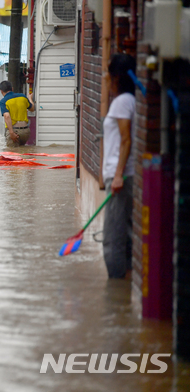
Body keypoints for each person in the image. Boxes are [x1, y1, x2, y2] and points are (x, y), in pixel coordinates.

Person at [102, 53, 137, 279]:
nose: (105, 77)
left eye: (108, 73)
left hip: (120, 178)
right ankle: (124, 290)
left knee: (112, 237)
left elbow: (126, 140)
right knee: (124, 233)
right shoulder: (130, 100)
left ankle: (114, 290)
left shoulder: (122, 101)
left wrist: (117, 176)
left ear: (116, 77)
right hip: (122, 175)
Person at [0, 81, 35, 147]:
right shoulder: (23, 97)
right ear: (12, 89)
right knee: (22, 152)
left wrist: (11, 133)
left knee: (12, 154)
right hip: (26, 131)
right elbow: (32, 108)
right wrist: (30, 99)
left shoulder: (3, 102)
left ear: (1, 91)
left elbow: (6, 116)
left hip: (15, 130)